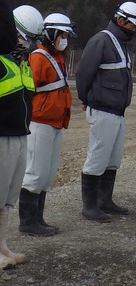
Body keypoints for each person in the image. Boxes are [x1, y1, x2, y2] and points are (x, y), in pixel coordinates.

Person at [75, 1, 136, 223]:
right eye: (133, 25)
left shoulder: (120, 44)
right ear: (121, 21)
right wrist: (86, 99)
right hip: (102, 109)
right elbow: (83, 74)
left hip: (117, 111)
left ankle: (105, 200)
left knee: (112, 158)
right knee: (98, 156)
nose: (134, 30)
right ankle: (90, 206)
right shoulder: (101, 41)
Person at [19, 13, 76, 237]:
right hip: (40, 122)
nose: (65, 39)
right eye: (62, 34)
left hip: (54, 123)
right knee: (35, 172)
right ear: (50, 34)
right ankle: (27, 222)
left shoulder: (56, 57)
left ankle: (37, 219)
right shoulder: (38, 57)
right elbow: (29, 90)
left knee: (47, 173)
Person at [0, 0, 43, 269]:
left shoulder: (23, 61)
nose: (29, 42)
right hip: (1, 134)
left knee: (7, 197)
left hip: (20, 134)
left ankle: (2, 245)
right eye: (25, 36)